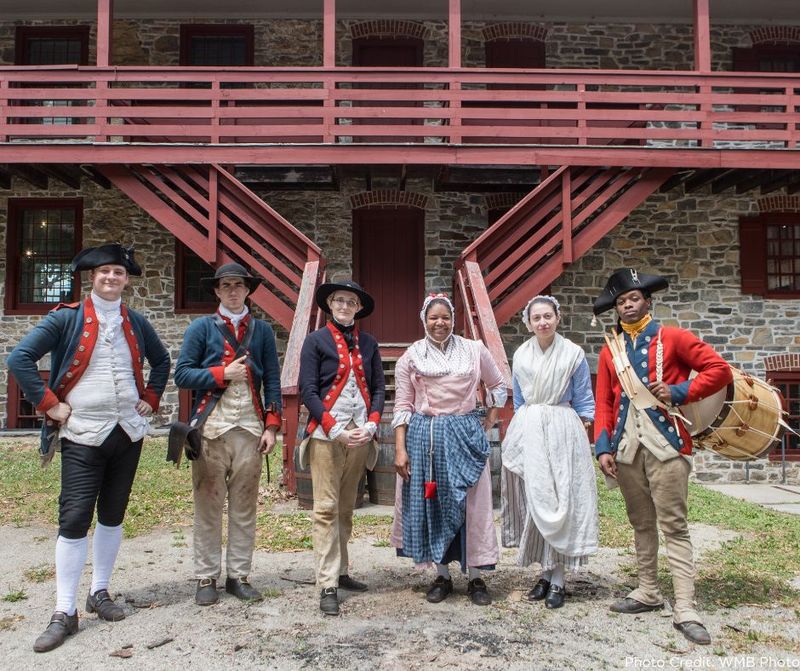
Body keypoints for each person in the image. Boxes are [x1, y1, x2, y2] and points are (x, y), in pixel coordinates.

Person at [7, 243, 170, 653]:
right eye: (104, 272)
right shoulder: (66, 318)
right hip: (81, 432)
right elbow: (20, 358)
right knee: (75, 517)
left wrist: (151, 397)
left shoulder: (136, 321)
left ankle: (99, 591)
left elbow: (162, 361)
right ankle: (64, 610)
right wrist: (50, 404)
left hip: (127, 432)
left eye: (118, 272)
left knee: (113, 515)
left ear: (126, 279)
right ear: (91, 277)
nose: (111, 278)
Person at [593, 268, 732, 646]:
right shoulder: (610, 351)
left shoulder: (673, 338)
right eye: (621, 302)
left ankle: (685, 607)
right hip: (626, 449)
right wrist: (603, 447)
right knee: (641, 524)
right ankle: (648, 591)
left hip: (667, 446)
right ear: (616, 309)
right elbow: (604, 402)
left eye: (633, 298)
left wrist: (680, 391)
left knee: (674, 526)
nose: (628, 305)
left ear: (647, 301)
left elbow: (718, 370)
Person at [174, 263, 282, 606]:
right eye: (226, 286)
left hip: (250, 429)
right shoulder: (201, 328)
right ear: (217, 291)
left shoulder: (262, 331)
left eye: (238, 285)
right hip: (211, 430)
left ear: (248, 290)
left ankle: (239, 575)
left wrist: (272, 426)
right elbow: (182, 375)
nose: (233, 291)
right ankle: (206, 576)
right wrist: (222, 373)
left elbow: (273, 380)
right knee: (208, 505)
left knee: (244, 506)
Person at [390, 293, 508, 606]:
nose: (440, 323)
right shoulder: (411, 357)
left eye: (445, 317)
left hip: (466, 436)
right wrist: (400, 450)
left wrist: (488, 420)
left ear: (453, 319)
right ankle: (442, 575)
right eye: (434, 317)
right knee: (433, 504)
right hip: (426, 440)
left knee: (472, 503)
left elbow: (498, 385)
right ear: (424, 320)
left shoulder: (474, 349)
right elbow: (402, 405)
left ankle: (476, 576)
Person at [500, 295, 598, 609]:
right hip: (531, 428)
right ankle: (544, 573)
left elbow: (584, 399)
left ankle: (559, 579)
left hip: (562, 428)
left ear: (557, 317)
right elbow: (519, 399)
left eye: (547, 316)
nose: (542, 322)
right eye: (536, 318)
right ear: (528, 323)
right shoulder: (521, 355)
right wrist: (520, 431)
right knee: (536, 498)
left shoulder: (573, 354)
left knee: (561, 499)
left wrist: (581, 433)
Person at [297, 280, 385, 616]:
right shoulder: (315, 341)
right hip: (326, 434)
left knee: (347, 507)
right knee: (325, 508)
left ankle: (341, 571)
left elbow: (379, 388)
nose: (345, 306)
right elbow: (308, 390)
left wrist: (372, 424)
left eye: (351, 301)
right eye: (339, 300)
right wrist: (333, 428)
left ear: (358, 308)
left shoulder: (369, 343)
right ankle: (327, 584)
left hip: (360, 433)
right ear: (330, 304)